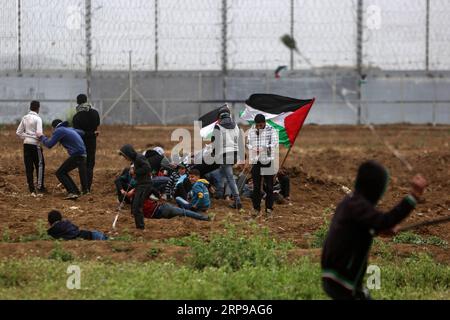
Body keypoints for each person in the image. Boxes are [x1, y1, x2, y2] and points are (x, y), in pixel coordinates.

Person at [321, 160, 427, 300]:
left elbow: (358, 227)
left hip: (336, 275)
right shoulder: (358, 206)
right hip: (342, 278)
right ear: (376, 188)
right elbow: (385, 221)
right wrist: (413, 196)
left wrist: (377, 229)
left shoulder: (350, 202)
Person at [38, 119, 88, 200]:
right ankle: (76, 191)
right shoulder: (69, 129)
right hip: (83, 154)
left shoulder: (59, 130)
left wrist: (41, 136)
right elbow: (82, 132)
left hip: (77, 155)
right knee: (63, 172)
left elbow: (49, 144)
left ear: (54, 127)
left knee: (59, 173)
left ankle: (73, 192)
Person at [211, 104, 243, 209]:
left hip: (224, 155)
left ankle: (237, 200)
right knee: (222, 172)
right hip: (235, 154)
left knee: (230, 178)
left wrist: (214, 153)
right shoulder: (236, 125)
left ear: (220, 117)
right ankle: (220, 192)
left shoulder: (218, 127)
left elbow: (215, 143)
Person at [247, 114, 278, 216]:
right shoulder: (252, 130)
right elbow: (248, 142)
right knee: (256, 186)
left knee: (269, 186)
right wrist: (252, 148)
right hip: (256, 161)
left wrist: (264, 148)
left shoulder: (271, 130)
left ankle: (269, 209)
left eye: (260, 125)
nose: (258, 127)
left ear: (264, 123)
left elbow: (274, 144)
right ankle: (256, 208)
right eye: (257, 125)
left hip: (268, 160)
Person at [16, 100, 46, 196]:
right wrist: (35, 138)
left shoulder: (25, 118)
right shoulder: (38, 119)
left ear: (30, 107)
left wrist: (26, 136)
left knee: (29, 167)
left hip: (26, 144)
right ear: (38, 108)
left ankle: (31, 189)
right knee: (40, 165)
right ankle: (40, 187)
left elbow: (18, 132)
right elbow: (39, 133)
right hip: (35, 145)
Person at [119, 144, 152, 230]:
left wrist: (135, 172)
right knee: (135, 206)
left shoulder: (139, 158)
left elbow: (147, 168)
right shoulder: (135, 160)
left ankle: (141, 228)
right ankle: (139, 227)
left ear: (129, 153)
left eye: (125, 156)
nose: (125, 158)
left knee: (137, 206)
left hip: (145, 185)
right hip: (140, 185)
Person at [72, 94, 100, 193]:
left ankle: (84, 187)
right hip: (92, 141)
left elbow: (76, 131)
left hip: (81, 142)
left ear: (77, 102)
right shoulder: (95, 113)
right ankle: (88, 186)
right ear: (86, 101)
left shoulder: (76, 116)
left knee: (82, 164)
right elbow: (97, 125)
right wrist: (92, 133)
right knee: (90, 164)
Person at [142, 194, 209, 221]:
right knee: (184, 212)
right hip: (163, 208)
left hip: (161, 213)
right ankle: (204, 217)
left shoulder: (137, 207)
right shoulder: (143, 192)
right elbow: (155, 197)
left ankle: (201, 215)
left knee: (183, 212)